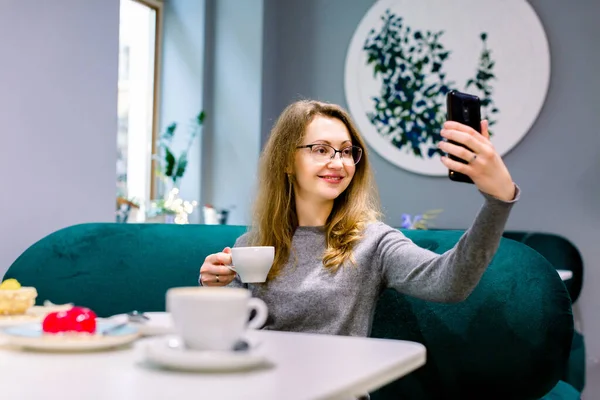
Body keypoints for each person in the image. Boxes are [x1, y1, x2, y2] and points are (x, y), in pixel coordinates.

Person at [199, 99, 519, 337]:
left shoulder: (372, 241)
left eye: (347, 150)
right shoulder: (251, 245)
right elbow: (227, 337)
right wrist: (212, 289)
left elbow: (451, 283)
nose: (339, 163)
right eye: (321, 149)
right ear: (286, 160)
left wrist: (498, 200)